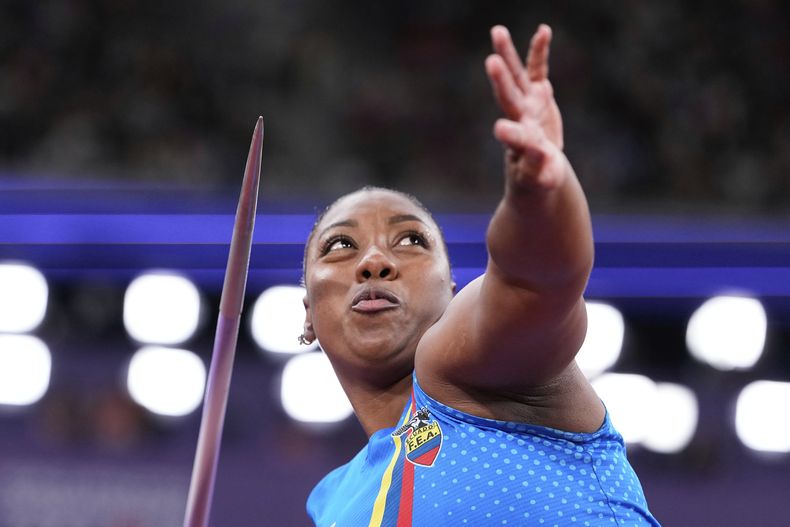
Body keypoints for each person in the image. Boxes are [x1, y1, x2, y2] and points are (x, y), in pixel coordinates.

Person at [301, 24, 660, 526]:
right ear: (308, 315)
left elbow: (535, 284)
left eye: (411, 240)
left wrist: (539, 193)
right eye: (341, 245)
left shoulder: (459, 372)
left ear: (452, 295)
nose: (374, 261)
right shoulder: (332, 502)